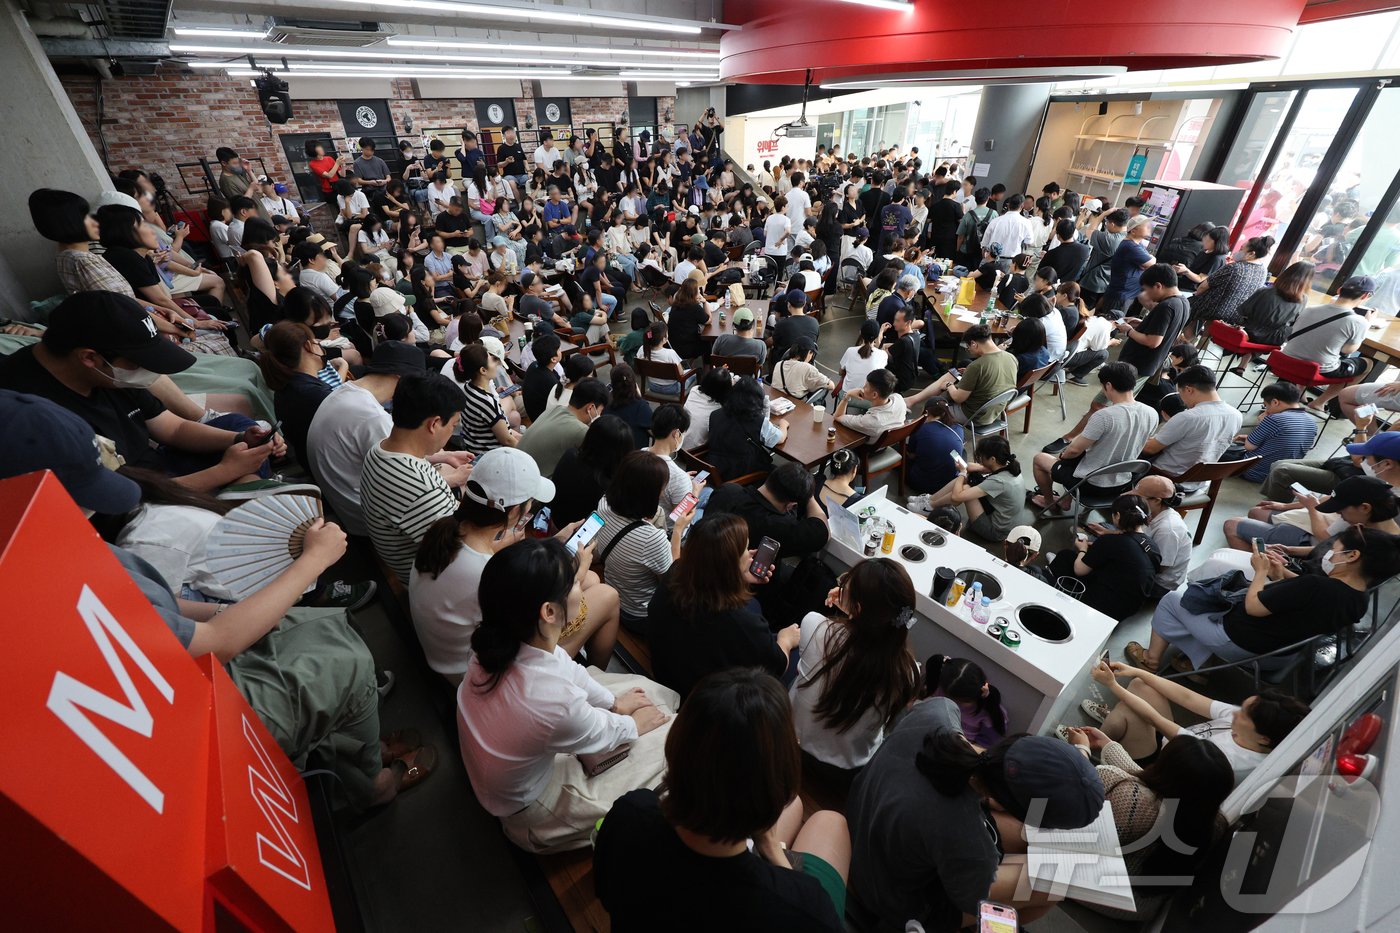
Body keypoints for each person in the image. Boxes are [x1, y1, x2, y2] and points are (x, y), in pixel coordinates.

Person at [456, 537, 675, 853]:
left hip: (522, 766)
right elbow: (599, 731)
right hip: (532, 808)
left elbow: (567, 669)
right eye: (572, 583)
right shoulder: (550, 699)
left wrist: (615, 704)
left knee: (649, 695)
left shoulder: (496, 645)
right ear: (549, 612)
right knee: (674, 740)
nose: (580, 585)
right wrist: (635, 724)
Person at [594, 668, 849, 932]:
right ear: (781, 779)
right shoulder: (804, 907)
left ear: (678, 744)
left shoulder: (630, 814)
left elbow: (607, 891)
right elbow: (798, 906)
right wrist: (773, 851)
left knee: (796, 807)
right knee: (830, 822)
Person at [847, 697, 1104, 931]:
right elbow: (972, 901)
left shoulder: (940, 711)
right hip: (888, 897)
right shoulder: (970, 842)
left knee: (1026, 846)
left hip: (861, 823)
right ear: (1004, 805)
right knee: (1057, 880)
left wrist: (1078, 753)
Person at [0, 292, 277, 492]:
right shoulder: (31, 417)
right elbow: (126, 497)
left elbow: (174, 428)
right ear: (90, 357)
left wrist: (241, 439)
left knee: (238, 425)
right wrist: (225, 471)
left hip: (155, 467)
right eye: (138, 362)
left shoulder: (107, 374)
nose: (147, 371)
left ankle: (244, 487)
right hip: (134, 498)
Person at [411, 447, 619, 684]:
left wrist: (554, 542)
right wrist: (578, 572)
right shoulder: (489, 573)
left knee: (591, 580)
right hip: (480, 676)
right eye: (530, 502)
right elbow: (542, 616)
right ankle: (596, 681)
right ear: (514, 512)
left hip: (448, 654)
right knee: (607, 595)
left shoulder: (446, 528)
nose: (530, 507)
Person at [1130, 524, 1400, 674]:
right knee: (1211, 602)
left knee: (1173, 600)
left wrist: (1260, 572)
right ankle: (1196, 661)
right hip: (1281, 654)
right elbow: (1304, 600)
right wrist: (1280, 573)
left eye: (1335, 550)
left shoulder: (1316, 585)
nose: (1329, 554)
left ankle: (1151, 660)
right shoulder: (1359, 600)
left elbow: (1254, 607)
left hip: (1242, 644)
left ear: (1352, 556)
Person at [1061, 726, 1234, 921]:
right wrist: (1107, 745)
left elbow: (1077, 791)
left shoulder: (1130, 797)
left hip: (1095, 888)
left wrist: (1081, 750)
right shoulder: (1213, 824)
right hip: (1141, 906)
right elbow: (1156, 783)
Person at [791, 559, 921, 778]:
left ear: (858, 608)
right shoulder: (908, 672)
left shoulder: (815, 625)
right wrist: (855, 614)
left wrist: (849, 615)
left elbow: (843, 648)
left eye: (845, 586)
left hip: (794, 745)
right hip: (849, 770)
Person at [648, 514, 792, 699]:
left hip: (665, 671)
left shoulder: (676, 572)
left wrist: (738, 576)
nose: (750, 553)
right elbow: (777, 667)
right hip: (702, 698)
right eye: (745, 549)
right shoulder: (743, 620)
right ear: (728, 564)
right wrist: (786, 639)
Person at [1084, 660, 1310, 777]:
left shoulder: (1227, 760)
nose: (1235, 712)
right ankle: (1112, 727)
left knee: (1128, 710)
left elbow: (1154, 719)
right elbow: (1188, 698)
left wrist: (1112, 685)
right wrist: (1137, 671)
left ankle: (1087, 743)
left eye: (1243, 714)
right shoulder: (1252, 725)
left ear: (1263, 738)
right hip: (1174, 744)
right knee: (1141, 684)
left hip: (1158, 768)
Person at [305, 342, 437, 536]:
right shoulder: (372, 416)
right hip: (367, 520)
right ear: (401, 379)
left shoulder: (345, 391)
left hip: (343, 503)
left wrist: (443, 457)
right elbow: (406, 473)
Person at [359, 374, 472, 582]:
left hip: (405, 550)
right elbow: (464, 553)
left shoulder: (379, 449)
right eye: (453, 425)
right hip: (429, 578)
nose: (452, 431)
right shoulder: (423, 490)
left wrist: (445, 456)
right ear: (434, 423)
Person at [593, 451, 696, 630]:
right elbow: (672, 583)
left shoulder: (603, 503)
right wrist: (678, 530)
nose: (662, 493)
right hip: (639, 615)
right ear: (649, 494)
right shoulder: (652, 539)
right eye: (661, 489)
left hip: (614, 592)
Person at [1032, 362, 1156, 510]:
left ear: (1108, 385)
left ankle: (1048, 502)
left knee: (1040, 459)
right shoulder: (1151, 413)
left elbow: (1073, 451)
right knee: (1084, 457)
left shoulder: (1104, 416)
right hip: (1123, 483)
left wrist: (1061, 457)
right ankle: (1065, 501)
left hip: (1091, 485)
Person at [1049, 494, 1161, 621]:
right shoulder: (1153, 546)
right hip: (1128, 609)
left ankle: (1056, 590)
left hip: (1099, 607)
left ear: (1117, 516)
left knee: (1063, 559)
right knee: (1068, 556)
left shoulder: (1110, 541)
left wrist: (1083, 549)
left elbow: (1079, 570)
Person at [1088, 475, 1192, 598]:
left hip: (1157, 583)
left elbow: (1160, 566)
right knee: (1105, 530)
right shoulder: (1152, 511)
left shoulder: (1168, 530)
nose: (1133, 499)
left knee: (1095, 561)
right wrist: (1108, 532)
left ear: (1157, 500)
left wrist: (1113, 552)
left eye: (1138, 497)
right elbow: (1139, 535)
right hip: (1143, 550)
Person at [1281, 275, 1373, 410]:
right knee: (1368, 364)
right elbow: (1347, 350)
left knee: (1314, 348)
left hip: (1285, 360)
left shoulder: (1310, 309)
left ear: (1339, 290)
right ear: (1365, 296)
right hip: (1319, 369)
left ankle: (1300, 392)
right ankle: (1320, 402)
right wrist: (1367, 324)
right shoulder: (1359, 322)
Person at [1143, 365, 1242, 489]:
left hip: (1166, 477)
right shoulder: (1236, 415)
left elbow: (1150, 449)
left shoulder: (1188, 417)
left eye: (1181, 394)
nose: (1183, 400)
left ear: (1189, 390)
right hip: (1201, 481)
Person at [923, 435, 1030, 542]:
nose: (980, 460)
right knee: (966, 479)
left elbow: (956, 496)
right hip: (1006, 523)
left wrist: (962, 472)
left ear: (993, 459)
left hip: (996, 532)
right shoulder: (1010, 467)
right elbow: (976, 468)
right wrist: (976, 468)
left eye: (982, 457)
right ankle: (929, 500)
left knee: (964, 487)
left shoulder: (998, 481)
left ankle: (930, 507)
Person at [906, 324, 1016, 426]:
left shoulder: (977, 366)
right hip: (993, 412)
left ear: (974, 344)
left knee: (932, 403)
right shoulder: (1011, 358)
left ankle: (915, 427)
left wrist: (949, 385)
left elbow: (958, 398)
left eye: (968, 347)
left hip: (973, 416)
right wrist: (970, 373)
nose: (969, 350)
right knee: (952, 377)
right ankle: (912, 404)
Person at [518, 377, 608, 477]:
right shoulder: (581, 430)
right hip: (534, 480)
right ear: (590, 408)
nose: (599, 415)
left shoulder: (556, 408)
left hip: (517, 467)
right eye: (600, 411)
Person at [1186, 235, 1274, 337]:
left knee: (1191, 305)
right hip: (1237, 315)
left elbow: (1203, 287)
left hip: (1215, 310)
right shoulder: (1263, 271)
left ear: (1251, 254)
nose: (1238, 251)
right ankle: (1202, 341)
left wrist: (1196, 294)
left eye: (1241, 249)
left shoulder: (1234, 267)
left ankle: (1185, 340)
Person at [705, 375, 786, 481]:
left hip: (716, 465)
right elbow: (780, 439)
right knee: (777, 471)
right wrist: (783, 425)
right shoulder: (757, 420)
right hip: (738, 471)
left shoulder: (715, 414)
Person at [1234, 382, 1318, 482]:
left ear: (1275, 402)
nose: (1266, 410)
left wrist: (1261, 423)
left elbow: (1249, 447)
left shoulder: (1274, 419)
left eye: (1266, 405)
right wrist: (1250, 438)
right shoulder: (1312, 423)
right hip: (1282, 475)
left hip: (1253, 471)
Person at [922, 655, 1008, 750]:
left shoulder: (989, 712)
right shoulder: (936, 687)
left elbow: (986, 745)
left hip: (960, 748)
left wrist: (961, 745)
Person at [450, 343, 519, 454]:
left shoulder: (467, 388)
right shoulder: (487, 402)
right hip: (492, 455)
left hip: (474, 449)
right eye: (491, 360)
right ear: (483, 370)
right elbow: (507, 440)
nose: (496, 363)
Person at [1235, 260, 1313, 353]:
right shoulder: (1303, 300)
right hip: (1274, 339)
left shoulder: (1264, 291)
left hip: (1248, 332)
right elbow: (1294, 322)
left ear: (1286, 274)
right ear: (1307, 281)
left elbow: (1243, 311)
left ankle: (1246, 357)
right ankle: (1247, 359)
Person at [905, 398, 966, 498]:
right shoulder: (958, 428)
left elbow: (911, 455)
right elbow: (954, 452)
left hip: (921, 485)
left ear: (926, 412)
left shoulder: (920, 428)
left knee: (899, 449)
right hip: (948, 486)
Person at [832, 368, 907, 440]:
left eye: (866, 386)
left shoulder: (869, 421)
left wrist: (847, 395)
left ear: (874, 395)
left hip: (862, 446)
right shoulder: (899, 399)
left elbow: (838, 416)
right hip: (889, 441)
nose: (863, 387)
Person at [1171, 224, 1232, 294]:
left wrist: (1186, 271)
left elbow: (1200, 279)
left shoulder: (1217, 259)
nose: (1204, 241)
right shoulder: (1204, 252)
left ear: (1217, 243)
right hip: (1184, 284)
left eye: (1208, 240)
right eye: (1205, 238)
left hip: (1191, 290)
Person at [773, 339, 834, 404]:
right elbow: (831, 386)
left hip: (774, 401)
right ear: (809, 352)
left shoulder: (779, 364)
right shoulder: (807, 367)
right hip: (795, 406)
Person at [837, 319, 888, 398]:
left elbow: (840, 372)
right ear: (877, 336)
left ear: (860, 332)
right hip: (870, 399)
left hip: (848, 396)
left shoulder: (850, 351)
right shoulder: (883, 354)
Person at [770, 289, 820, 364]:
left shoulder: (782, 324)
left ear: (789, 304)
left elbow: (775, 342)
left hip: (785, 364)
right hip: (807, 363)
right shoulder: (814, 322)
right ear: (804, 303)